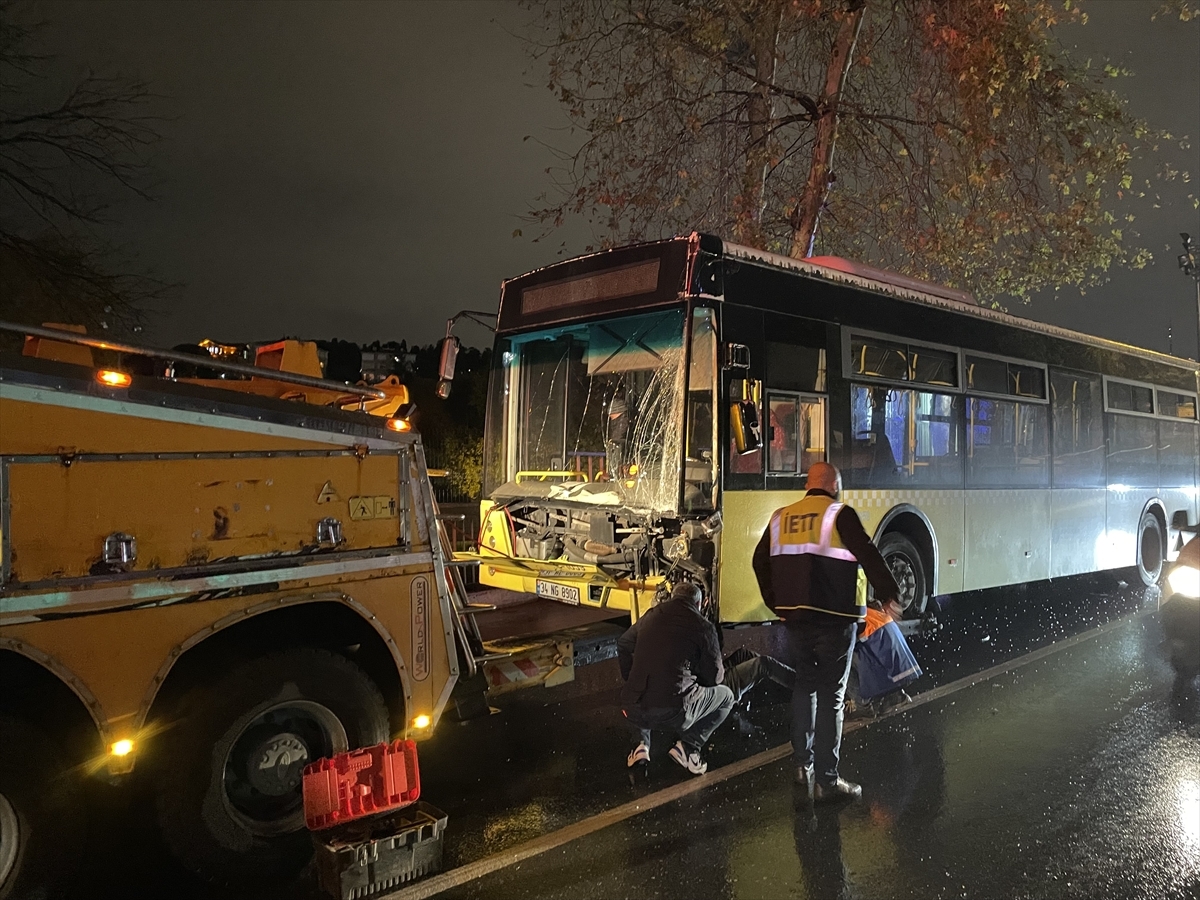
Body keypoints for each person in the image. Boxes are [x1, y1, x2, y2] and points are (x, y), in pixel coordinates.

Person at [752, 461, 901, 802]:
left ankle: (801, 766)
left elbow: (759, 562)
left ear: (808, 484)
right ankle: (827, 782)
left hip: (797, 620)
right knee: (833, 695)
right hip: (836, 619)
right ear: (835, 485)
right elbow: (867, 552)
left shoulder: (781, 517)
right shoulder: (839, 514)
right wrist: (889, 593)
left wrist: (777, 603)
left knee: (805, 687)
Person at [618, 582, 733, 776]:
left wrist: (630, 678)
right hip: (674, 714)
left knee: (643, 688)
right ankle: (689, 748)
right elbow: (715, 678)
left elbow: (623, 644)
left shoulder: (651, 615)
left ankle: (640, 748)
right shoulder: (704, 627)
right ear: (699, 605)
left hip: (632, 709)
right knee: (727, 697)